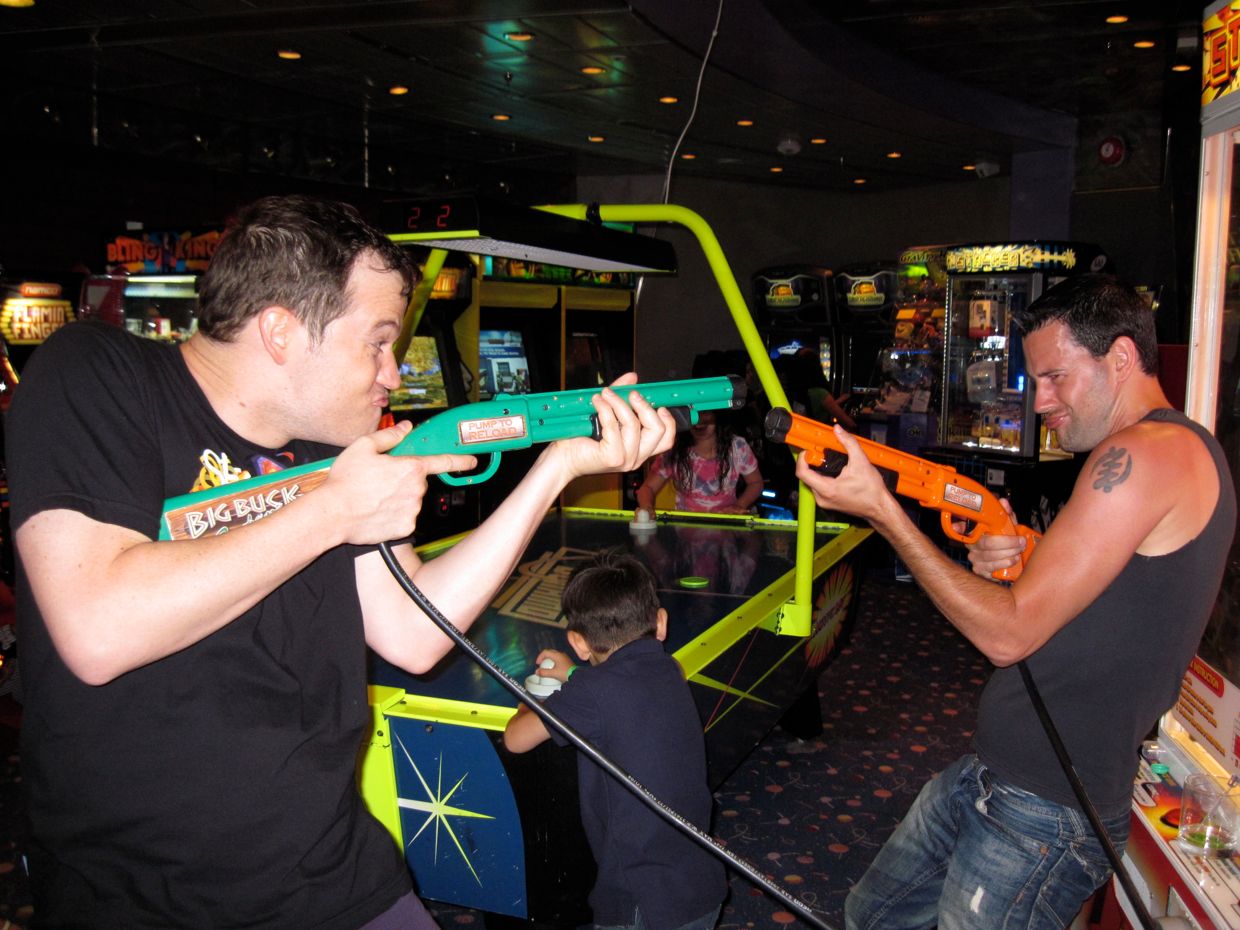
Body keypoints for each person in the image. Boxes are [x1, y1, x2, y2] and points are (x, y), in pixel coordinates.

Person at [6, 194, 677, 929]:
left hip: (334, 870)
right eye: (378, 342)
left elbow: (415, 633)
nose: (394, 371)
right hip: (140, 899)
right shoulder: (99, 372)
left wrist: (557, 467)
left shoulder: (329, 445)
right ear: (281, 332)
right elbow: (97, 627)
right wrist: (331, 511)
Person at [794, 274, 1236, 930]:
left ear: (1120, 357)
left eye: (1056, 378)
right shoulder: (1161, 452)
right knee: (871, 916)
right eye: (1036, 381)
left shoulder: (1145, 453)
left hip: (1047, 808)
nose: (1042, 402)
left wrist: (884, 513)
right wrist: (1026, 552)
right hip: (998, 773)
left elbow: (1008, 635)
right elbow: (1110, 595)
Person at [502, 550, 726, 930]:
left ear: (578, 642)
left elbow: (515, 739)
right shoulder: (671, 668)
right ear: (660, 623)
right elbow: (620, 686)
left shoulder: (589, 695)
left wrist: (534, 698)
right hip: (699, 883)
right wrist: (573, 676)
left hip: (640, 903)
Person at [635, 409, 764, 514]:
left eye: (705, 412)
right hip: (686, 530)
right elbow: (647, 488)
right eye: (692, 413)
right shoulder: (674, 450)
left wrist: (739, 505)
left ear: (717, 414)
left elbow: (756, 483)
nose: (698, 420)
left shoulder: (737, 446)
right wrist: (647, 508)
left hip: (726, 528)